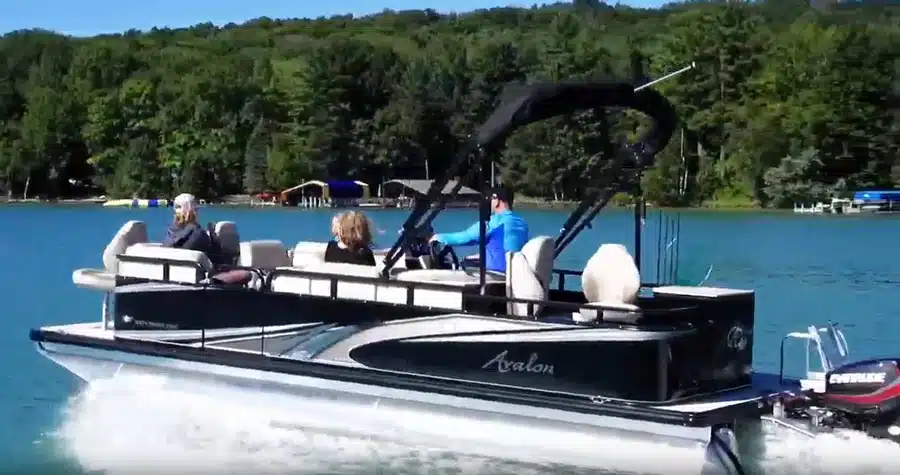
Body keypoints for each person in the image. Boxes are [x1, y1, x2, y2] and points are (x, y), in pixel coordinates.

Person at [430, 186, 528, 273]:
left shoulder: (494, 222)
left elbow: (465, 237)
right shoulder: (521, 223)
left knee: (462, 264)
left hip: (496, 272)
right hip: (514, 271)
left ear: (497, 201)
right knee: (470, 258)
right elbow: (505, 246)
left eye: (490, 199)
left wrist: (438, 238)